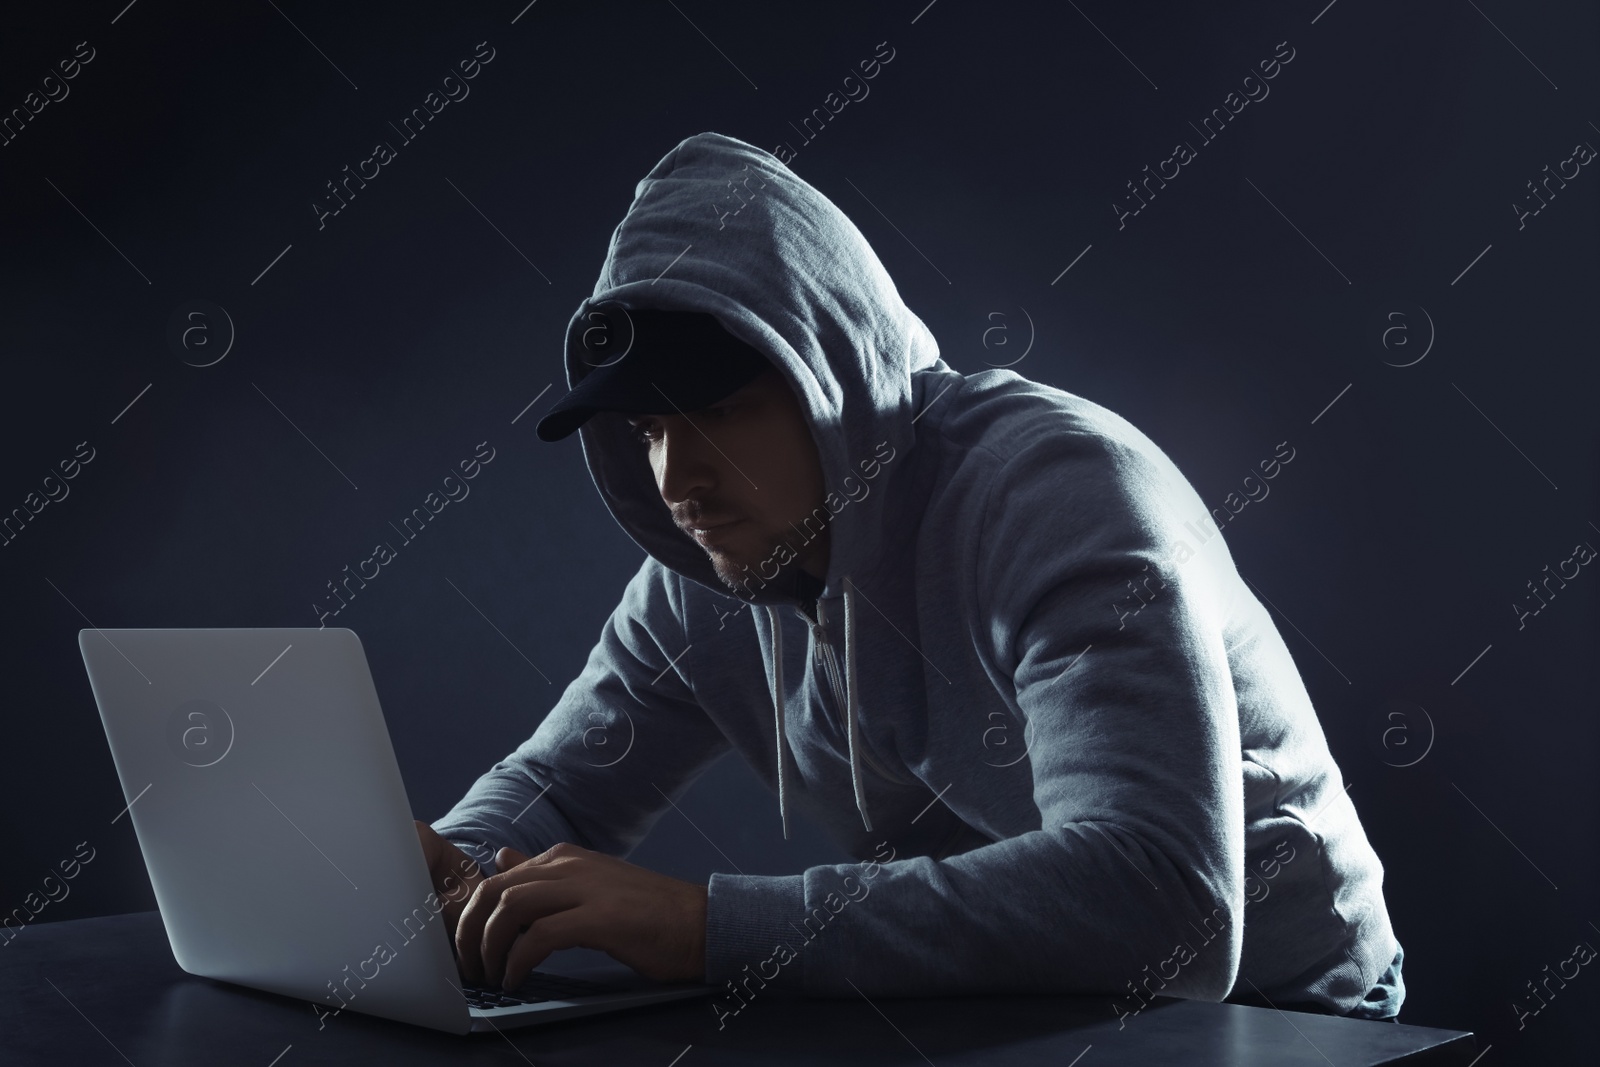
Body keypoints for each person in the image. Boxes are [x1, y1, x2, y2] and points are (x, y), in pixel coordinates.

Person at [418, 130, 1404, 1025]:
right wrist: (445, 871)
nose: (677, 477)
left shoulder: (1060, 496)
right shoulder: (707, 574)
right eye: (647, 428)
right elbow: (559, 786)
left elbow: (1162, 901)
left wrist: (703, 926)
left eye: (712, 410)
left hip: (1283, 1018)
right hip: (1028, 1007)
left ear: (833, 378)